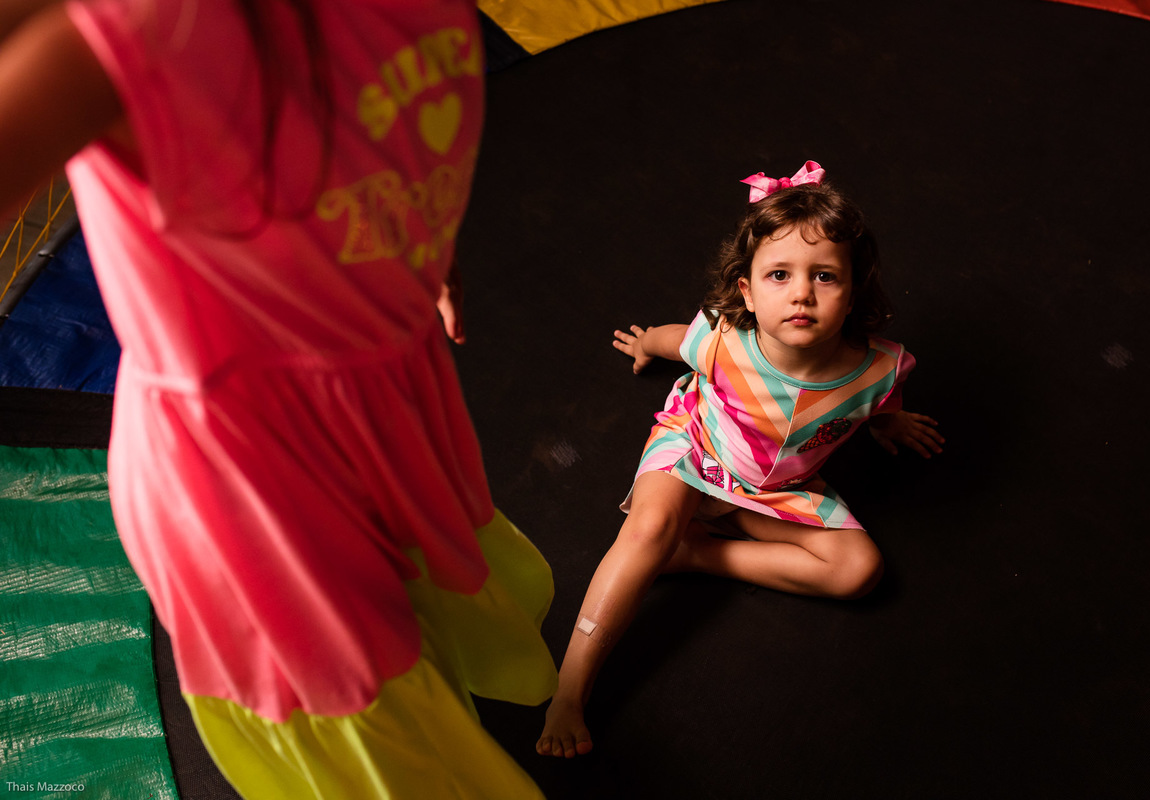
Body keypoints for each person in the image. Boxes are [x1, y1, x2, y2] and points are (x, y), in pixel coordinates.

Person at [0, 1, 557, 797]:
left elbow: (375, 122)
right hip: (241, 474)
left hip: (379, 385)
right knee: (366, 704)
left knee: (409, 601)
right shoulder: (136, 33)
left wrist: (408, 240)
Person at [536, 162, 945, 758]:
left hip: (778, 487)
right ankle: (570, 689)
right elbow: (676, 339)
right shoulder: (722, 339)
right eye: (779, 274)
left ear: (853, 289)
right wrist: (646, 341)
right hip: (698, 449)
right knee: (647, 525)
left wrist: (891, 425)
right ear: (748, 293)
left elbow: (879, 405)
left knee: (860, 571)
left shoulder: (882, 369)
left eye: (825, 276)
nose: (801, 292)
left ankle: (699, 554)